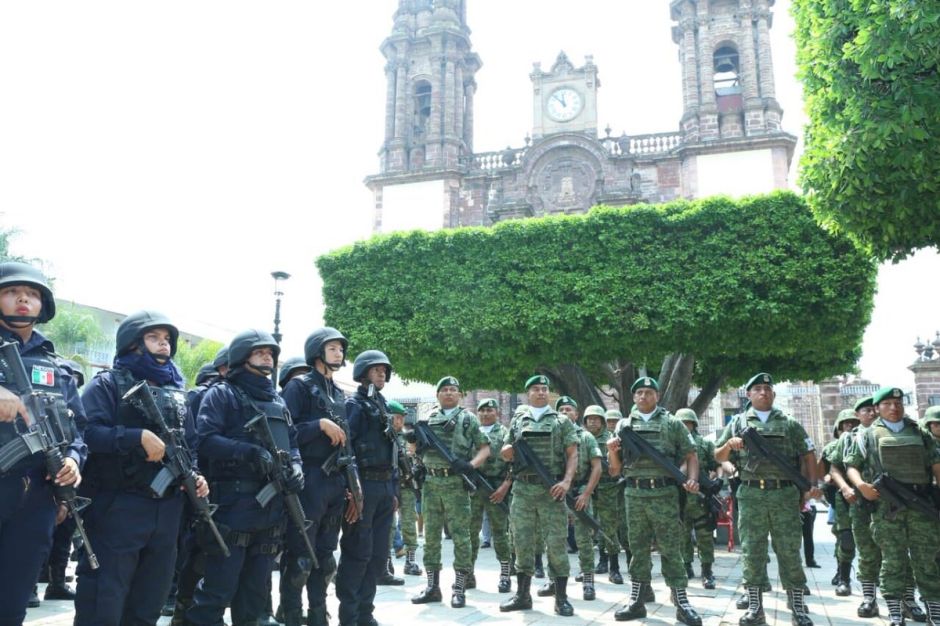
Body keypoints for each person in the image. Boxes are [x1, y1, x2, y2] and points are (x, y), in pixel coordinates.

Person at [76, 310, 206, 626]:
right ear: (133, 344)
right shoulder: (108, 385)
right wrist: (135, 437)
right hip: (118, 505)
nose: (163, 345)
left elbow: (191, 442)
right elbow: (85, 433)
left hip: (167, 509)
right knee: (104, 597)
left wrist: (197, 474)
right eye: (153, 338)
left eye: (166, 340)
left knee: (150, 597)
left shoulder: (178, 393)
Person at [186, 329, 304, 626]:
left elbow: (293, 442)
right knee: (218, 589)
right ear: (242, 356)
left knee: (254, 594)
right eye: (260, 352)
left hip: (271, 507)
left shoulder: (277, 399)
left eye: (270, 353)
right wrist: (248, 452)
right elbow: (205, 440)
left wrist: (298, 468)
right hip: (234, 505)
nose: (268, 357)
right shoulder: (222, 393)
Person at [0, 262, 86, 625]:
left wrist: (73, 461)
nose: (23, 298)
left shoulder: (59, 367)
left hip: (36, 498)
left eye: (32, 293)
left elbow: (78, 429)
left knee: (12, 604)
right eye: (11, 291)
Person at [715, 373, 821, 626]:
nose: (763, 392)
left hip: (785, 493)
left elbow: (808, 455)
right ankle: (755, 606)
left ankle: (796, 605)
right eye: (758, 389)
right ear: (749, 395)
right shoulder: (738, 422)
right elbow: (718, 455)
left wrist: (811, 487)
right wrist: (730, 444)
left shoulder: (789, 423)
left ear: (773, 394)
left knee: (789, 550)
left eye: (767, 389)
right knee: (752, 550)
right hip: (751, 493)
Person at [607, 377, 702, 626]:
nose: (644, 397)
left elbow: (691, 455)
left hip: (664, 494)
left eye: (649, 392)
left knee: (671, 547)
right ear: (634, 397)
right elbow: (615, 470)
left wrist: (691, 480)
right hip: (634, 493)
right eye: (639, 392)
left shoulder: (672, 423)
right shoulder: (624, 425)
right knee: (637, 548)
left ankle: (681, 601)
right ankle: (637, 600)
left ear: (657, 396)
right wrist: (610, 450)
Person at [279, 327, 357, 626]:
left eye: (340, 348)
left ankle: (317, 616)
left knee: (325, 560)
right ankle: (292, 617)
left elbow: (347, 443)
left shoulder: (338, 392)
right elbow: (283, 435)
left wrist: (352, 485)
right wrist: (319, 425)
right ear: (317, 351)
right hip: (309, 479)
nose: (339, 353)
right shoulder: (299, 387)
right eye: (333, 348)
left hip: (335, 482)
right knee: (300, 558)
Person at [845, 386, 940, 626]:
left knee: (926, 559)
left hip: (921, 504)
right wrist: (861, 485)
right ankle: (895, 611)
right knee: (893, 560)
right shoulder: (867, 434)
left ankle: (935, 610)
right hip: (888, 508)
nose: (894, 408)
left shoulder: (919, 432)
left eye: (898, 403)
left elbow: (936, 463)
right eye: (887, 404)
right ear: (877, 409)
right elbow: (851, 465)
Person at [499, 374, 578, 617]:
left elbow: (572, 454)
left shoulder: (561, 421)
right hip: (522, 489)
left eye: (544, 388)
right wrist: (508, 450)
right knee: (521, 541)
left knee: (556, 542)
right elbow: (504, 452)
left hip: (551, 489)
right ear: (528, 393)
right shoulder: (518, 420)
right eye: (536, 389)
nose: (541, 392)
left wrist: (566, 481)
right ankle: (523, 595)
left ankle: (561, 597)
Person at [410, 376, 490, 608]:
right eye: (444, 390)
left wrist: (471, 465)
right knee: (431, 537)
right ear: (437, 395)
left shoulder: (468, 419)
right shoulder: (428, 420)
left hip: (456, 483)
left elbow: (485, 449)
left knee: (462, 537)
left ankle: (460, 587)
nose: (448, 393)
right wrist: (414, 445)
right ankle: (432, 587)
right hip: (432, 484)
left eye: (453, 390)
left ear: (460, 394)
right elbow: (416, 450)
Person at [335, 350, 398, 626]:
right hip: (364, 486)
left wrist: (393, 491)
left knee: (377, 555)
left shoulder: (382, 404)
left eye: (384, 370)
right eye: (376, 369)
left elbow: (392, 452)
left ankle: (365, 614)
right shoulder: (355, 406)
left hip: (384, 487)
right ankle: (349, 617)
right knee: (357, 552)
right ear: (363, 373)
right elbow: (346, 451)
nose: (381, 373)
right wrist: (352, 491)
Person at [555, 398, 602, 601]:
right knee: (555, 537)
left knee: (583, 538)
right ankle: (554, 578)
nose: (565, 412)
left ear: (576, 414)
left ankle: (588, 579)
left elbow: (597, 467)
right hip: (556, 490)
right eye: (561, 409)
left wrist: (586, 494)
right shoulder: (551, 435)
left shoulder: (586, 437)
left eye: (569, 409)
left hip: (580, 489)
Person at [468, 398, 513, 593]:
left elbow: (514, 464)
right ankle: (467, 573)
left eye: (489, 410)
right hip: (474, 487)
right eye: (482, 411)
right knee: (470, 533)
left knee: (500, 533)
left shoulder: (505, 433)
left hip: (496, 488)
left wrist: (505, 486)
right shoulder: (471, 433)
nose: (485, 414)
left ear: (497, 412)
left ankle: (505, 573)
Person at [676, 408, 718, 590]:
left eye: (688, 423)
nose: (685, 426)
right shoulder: (672, 444)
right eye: (681, 423)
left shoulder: (704, 444)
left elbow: (716, 464)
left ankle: (707, 570)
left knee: (705, 536)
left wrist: (716, 476)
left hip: (701, 500)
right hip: (679, 498)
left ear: (694, 424)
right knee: (682, 536)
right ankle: (686, 566)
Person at [820, 409, 860, 596]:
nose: (850, 426)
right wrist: (830, 478)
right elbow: (824, 471)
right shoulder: (832, 447)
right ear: (839, 427)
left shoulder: (864, 441)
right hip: (841, 497)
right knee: (845, 538)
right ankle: (843, 576)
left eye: (854, 422)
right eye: (846, 423)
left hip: (866, 495)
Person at [387, 400, 422, 578]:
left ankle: (410, 560)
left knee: (409, 522)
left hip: (406, 486)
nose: (399, 421)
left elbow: (417, 460)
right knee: (389, 525)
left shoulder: (408, 437)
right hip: (388, 485)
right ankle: (387, 562)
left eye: (401, 418)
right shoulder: (384, 436)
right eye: (396, 418)